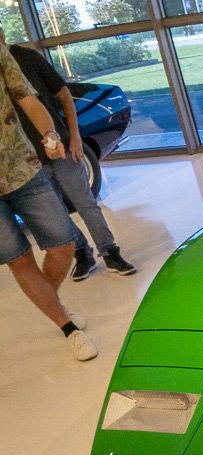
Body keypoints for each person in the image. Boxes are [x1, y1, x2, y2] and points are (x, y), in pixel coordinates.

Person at [1, 26, 136, 282]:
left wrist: (74, 137)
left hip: (60, 149)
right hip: (28, 162)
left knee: (85, 203)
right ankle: (83, 254)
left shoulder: (27, 58)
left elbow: (63, 94)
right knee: (58, 214)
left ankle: (110, 253)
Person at [0, 39, 97, 360]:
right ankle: (67, 326)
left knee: (63, 244)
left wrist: (50, 134)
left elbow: (26, 97)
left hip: (22, 166)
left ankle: (50, 303)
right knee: (18, 258)